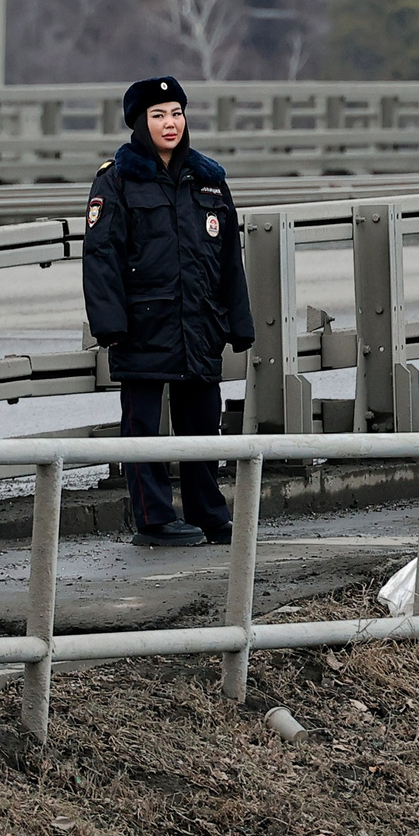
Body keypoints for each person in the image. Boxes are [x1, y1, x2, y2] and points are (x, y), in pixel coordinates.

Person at [82, 76, 254, 547]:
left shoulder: (209, 180)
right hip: (142, 324)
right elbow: (101, 256)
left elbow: (228, 259)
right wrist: (110, 324)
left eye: (176, 113)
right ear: (140, 123)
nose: (170, 123)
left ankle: (208, 515)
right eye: (158, 115)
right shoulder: (116, 179)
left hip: (199, 322)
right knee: (143, 428)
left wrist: (239, 322)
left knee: (202, 424)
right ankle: (155, 519)